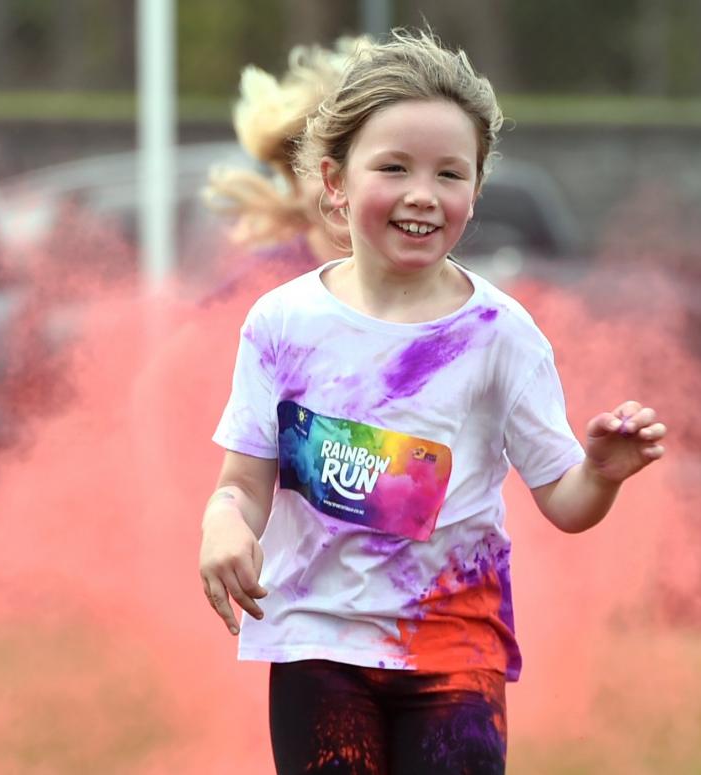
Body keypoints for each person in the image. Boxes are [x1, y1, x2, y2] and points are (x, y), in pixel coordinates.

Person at [199, 28, 667, 775]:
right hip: (317, 645)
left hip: (454, 651)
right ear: (334, 182)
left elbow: (567, 502)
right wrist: (223, 528)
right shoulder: (280, 325)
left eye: (450, 173)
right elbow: (241, 485)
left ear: (475, 192)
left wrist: (603, 471)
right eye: (393, 167)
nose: (423, 194)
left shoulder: (501, 335)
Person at [203, 36, 369, 280]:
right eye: (318, 166)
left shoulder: (437, 283)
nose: (339, 185)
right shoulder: (260, 288)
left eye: (367, 162)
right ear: (292, 180)